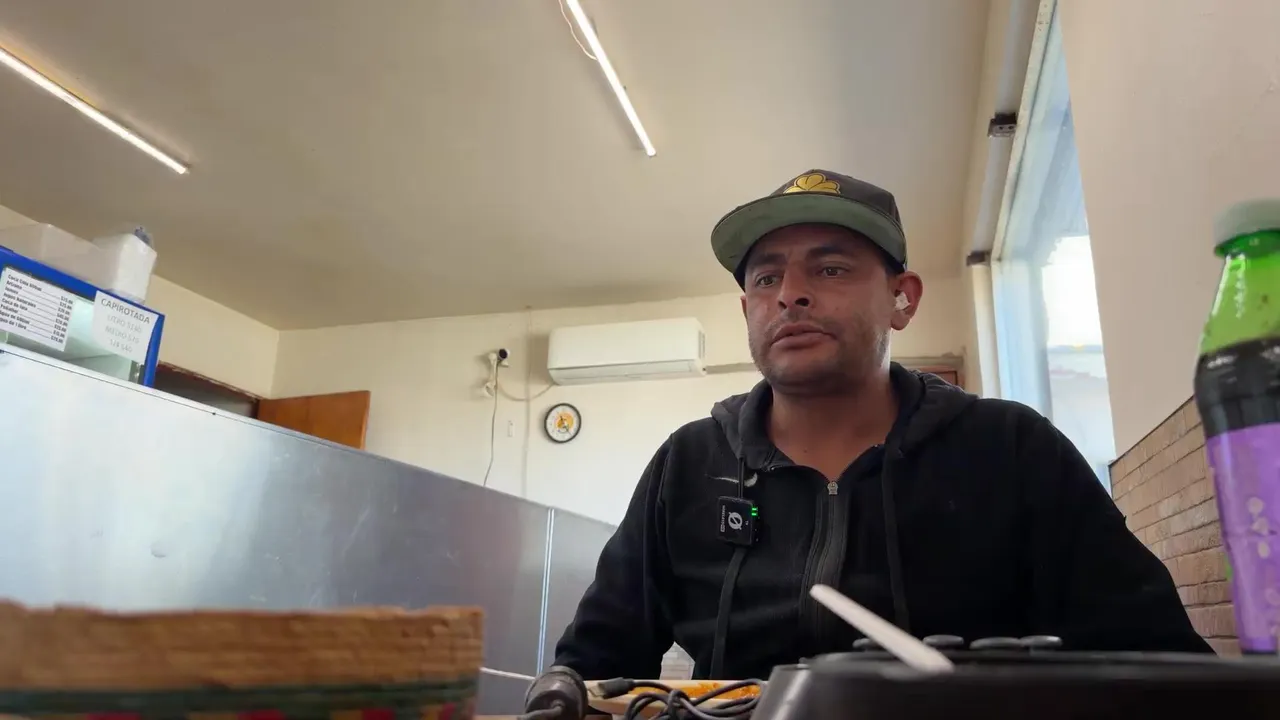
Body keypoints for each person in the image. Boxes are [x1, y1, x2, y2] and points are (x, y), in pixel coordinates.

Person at [552, 170, 1210, 681]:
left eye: (830, 269)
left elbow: (1159, 663)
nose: (790, 293)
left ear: (903, 298)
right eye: (767, 277)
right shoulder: (689, 464)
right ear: (748, 308)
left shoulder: (1011, 450)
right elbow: (591, 668)